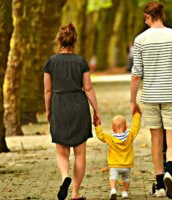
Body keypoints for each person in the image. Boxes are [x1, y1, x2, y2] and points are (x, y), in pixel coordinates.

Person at [130, 1, 172, 199]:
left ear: (148, 16)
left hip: (150, 96)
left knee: (155, 138)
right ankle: (170, 170)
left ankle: (160, 184)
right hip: (171, 94)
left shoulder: (140, 40)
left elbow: (136, 73)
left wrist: (132, 100)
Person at [43, 22, 101, 200]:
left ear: (59, 41)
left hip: (59, 106)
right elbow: (89, 89)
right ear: (74, 41)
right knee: (80, 153)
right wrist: (96, 111)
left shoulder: (51, 62)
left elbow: (47, 90)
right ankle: (75, 193)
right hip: (78, 105)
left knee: (62, 152)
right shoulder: (81, 61)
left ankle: (64, 176)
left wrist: (48, 110)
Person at [94, 110, 141, 200]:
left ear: (113, 128)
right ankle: (124, 192)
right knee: (126, 179)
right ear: (126, 127)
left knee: (112, 178)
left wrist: (97, 126)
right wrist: (137, 115)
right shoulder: (130, 135)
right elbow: (136, 127)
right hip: (127, 165)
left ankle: (113, 189)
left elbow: (101, 136)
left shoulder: (110, 137)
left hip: (114, 165)